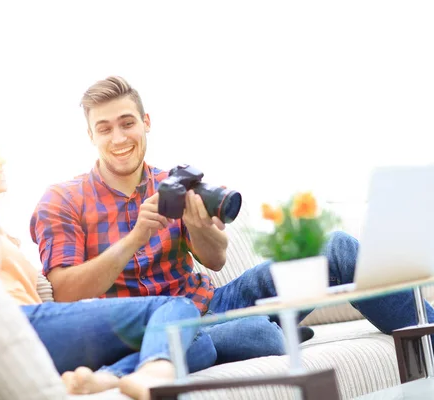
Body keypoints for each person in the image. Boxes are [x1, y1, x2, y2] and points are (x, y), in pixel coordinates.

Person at [30, 75, 434, 367]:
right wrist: (136, 237)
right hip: (152, 327)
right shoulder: (63, 200)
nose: (119, 138)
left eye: (127, 123)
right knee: (257, 335)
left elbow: (217, 260)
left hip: (217, 304)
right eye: (105, 128)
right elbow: (64, 293)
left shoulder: (170, 182)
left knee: (337, 248)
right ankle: (272, 329)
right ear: (90, 136)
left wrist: (204, 229)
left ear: (146, 122)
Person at [0, 119, 217, 400]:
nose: (1, 160)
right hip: (14, 326)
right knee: (175, 308)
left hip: (38, 331)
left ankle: (110, 379)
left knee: (198, 342)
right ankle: (153, 374)